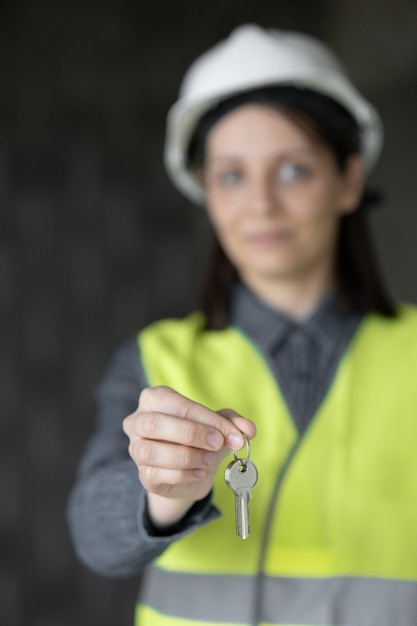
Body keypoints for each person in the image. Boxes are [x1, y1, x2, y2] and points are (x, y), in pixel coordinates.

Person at [67, 24, 417, 626]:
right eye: (231, 175)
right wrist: (161, 493)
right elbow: (95, 538)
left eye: (292, 171)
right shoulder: (156, 359)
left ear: (349, 181)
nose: (260, 204)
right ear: (206, 191)